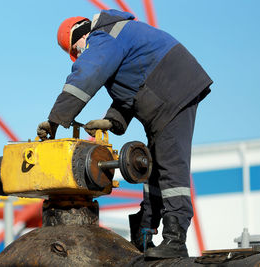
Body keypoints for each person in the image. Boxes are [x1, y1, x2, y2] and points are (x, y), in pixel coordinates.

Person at [37, 9, 212, 259]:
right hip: (167, 93)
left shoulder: (103, 36)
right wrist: (112, 120)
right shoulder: (118, 37)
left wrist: (56, 119)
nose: (79, 57)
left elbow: (86, 74)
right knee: (154, 167)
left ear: (79, 36)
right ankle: (144, 234)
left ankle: (175, 239)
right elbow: (133, 85)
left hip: (173, 90)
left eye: (76, 51)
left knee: (171, 166)